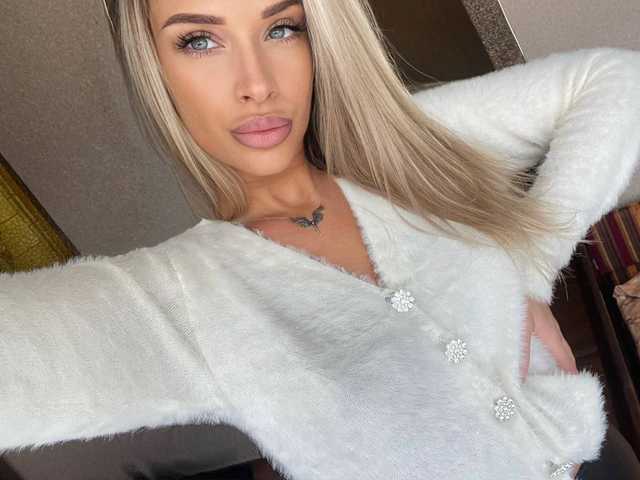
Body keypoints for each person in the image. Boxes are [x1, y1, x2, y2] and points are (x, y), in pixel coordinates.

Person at [1, 0, 640, 478]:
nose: (257, 82)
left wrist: (527, 272)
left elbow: (614, 80)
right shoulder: (177, 297)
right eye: (199, 40)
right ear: (154, 67)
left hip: (608, 456)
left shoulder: (406, 156)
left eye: (282, 28)